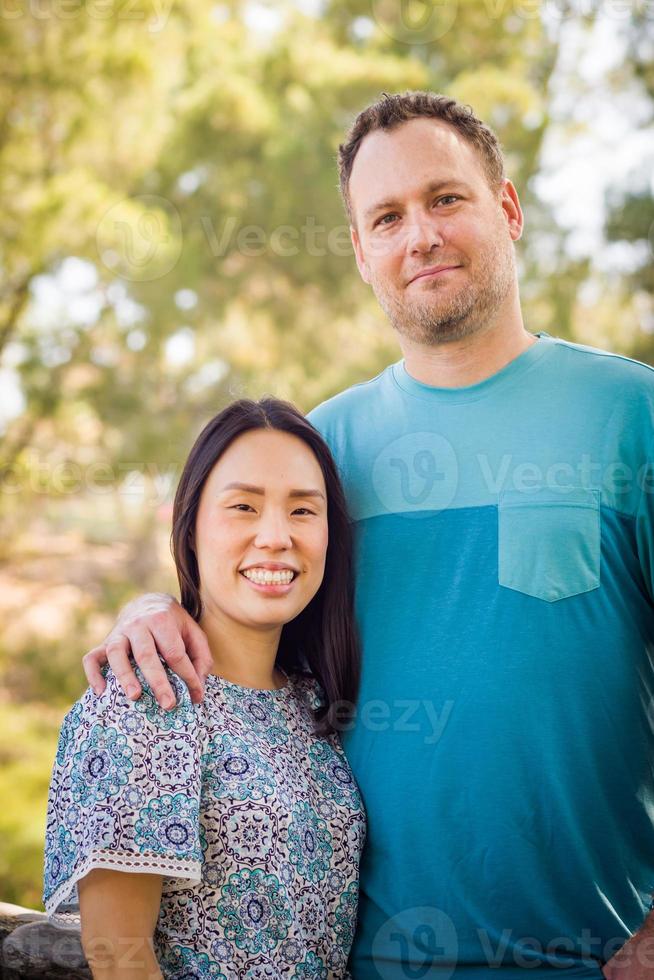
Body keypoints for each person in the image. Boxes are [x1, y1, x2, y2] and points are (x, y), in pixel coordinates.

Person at [81, 92, 654, 980]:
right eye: (386, 217)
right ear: (360, 252)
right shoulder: (323, 455)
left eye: (445, 199)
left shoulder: (631, 416)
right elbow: (240, 600)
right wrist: (150, 607)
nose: (418, 235)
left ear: (507, 209)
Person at [44, 398, 365, 979]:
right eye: (243, 506)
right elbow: (119, 956)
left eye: (303, 511)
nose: (275, 536)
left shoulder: (314, 699)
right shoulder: (145, 702)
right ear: (190, 526)